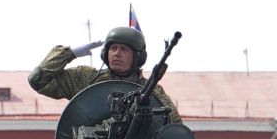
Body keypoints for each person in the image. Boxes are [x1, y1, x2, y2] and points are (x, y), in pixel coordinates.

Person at [27, 26, 181, 120]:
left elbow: (174, 129)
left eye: (124, 49)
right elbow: (37, 80)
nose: (117, 54)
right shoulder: (85, 79)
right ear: (105, 53)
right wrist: (68, 53)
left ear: (138, 57)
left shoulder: (151, 91)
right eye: (113, 48)